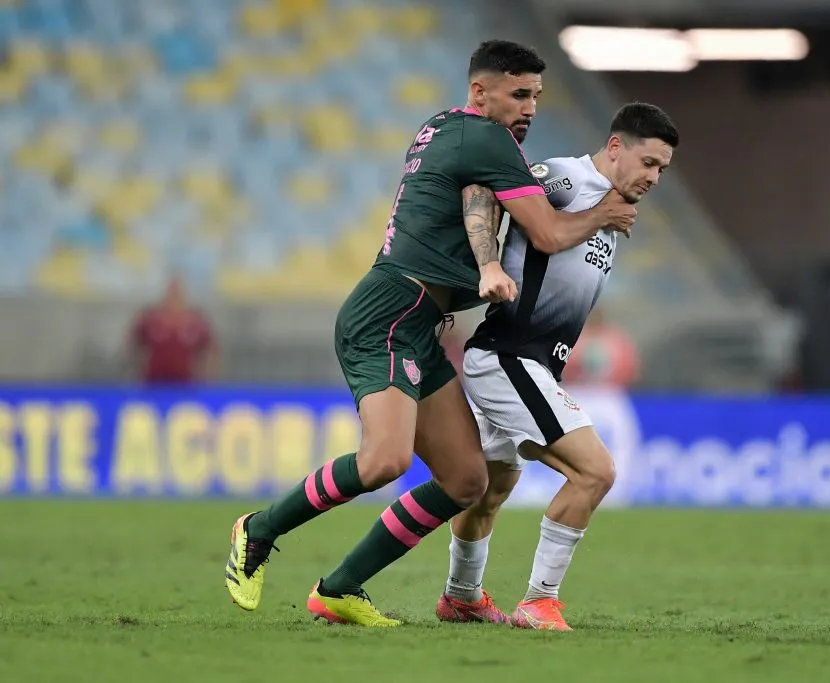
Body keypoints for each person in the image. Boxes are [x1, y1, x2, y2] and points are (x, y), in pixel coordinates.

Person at [223, 40, 638, 627]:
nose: (529, 108)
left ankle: (340, 588)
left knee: (466, 479)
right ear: (480, 92)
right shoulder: (488, 138)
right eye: (518, 94)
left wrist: (489, 265)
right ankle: (257, 530)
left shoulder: (449, 129)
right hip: (390, 310)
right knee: (384, 460)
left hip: (421, 322)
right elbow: (545, 234)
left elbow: (475, 197)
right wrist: (604, 212)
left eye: (537, 97)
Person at [434, 102, 678, 630]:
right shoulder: (566, 178)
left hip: (530, 362)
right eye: (650, 163)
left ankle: (460, 596)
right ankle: (539, 601)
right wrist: (488, 264)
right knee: (595, 472)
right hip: (507, 357)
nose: (655, 177)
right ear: (615, 148)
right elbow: (488, 194)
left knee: (491, 485)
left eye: (663, 169)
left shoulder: (611, 210)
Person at [126, 275, 218, 384]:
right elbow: (133, 343)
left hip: (185, 382)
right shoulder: (151, 318)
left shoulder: (195, 321)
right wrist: (137, 369)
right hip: (154, 381)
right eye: (172, 290)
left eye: (177, 291)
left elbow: (210, 349)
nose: (174, 294)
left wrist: (206, 375)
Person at [560, 306, 639, 387]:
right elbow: (561, 367)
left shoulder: (617, 340)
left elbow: (629, 369)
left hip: (609, 390)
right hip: (577, 389)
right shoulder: (573, 337)